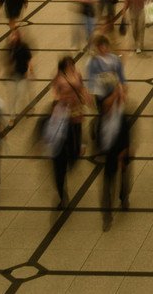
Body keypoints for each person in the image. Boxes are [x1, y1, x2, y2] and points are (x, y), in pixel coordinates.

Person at [47, 56, 88, 208]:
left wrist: (85, 97)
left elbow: (82, 88)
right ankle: (62, 194)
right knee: (68, 133)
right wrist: (58, 103)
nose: (72, 66)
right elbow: (55, 93)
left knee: (76, 130)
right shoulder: (58, 78)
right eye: (69, 64)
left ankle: (75, 149)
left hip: (76, 110)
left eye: (73, 64)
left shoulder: (77, 74)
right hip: (64, 111)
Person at [98, 86, 132, 231]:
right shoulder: (101, 120)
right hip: (110, 154)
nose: (107, 106)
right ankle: (107, 216)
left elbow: (127, 136)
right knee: (107, 186)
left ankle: (124, 197)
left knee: (124, 180)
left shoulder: (121, 117)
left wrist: (125, 153)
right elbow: (98, 137)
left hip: (122, 152)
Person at [4, 27, 34, 117]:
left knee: (22, 94)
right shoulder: (10, 47)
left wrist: (30, 70)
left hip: (23, 74)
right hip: (12, 75)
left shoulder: (24, 46)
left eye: (14, 35)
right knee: (12, 96)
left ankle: (29, 107)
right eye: (11, 35)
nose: (12, 37)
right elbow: (7, 60)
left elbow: (29, 59)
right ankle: (12, 116)